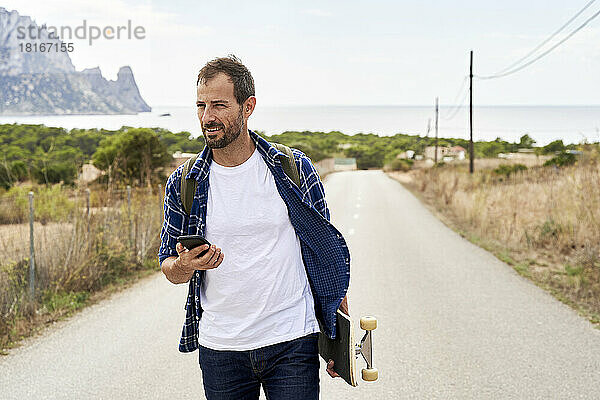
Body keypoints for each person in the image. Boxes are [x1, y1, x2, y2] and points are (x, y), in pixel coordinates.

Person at [158, 55, 350, 400]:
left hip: (291, 339)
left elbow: (324, 254)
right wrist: (187, 264)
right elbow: (169, 269)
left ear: (248, 106)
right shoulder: (184, 182)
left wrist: (337, 335)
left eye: (219, 105)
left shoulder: (293, 168)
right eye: (201, 105)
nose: (207, 117)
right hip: (220, 349)